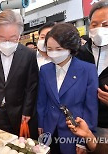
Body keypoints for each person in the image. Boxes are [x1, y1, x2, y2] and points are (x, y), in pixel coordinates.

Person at [0, 10, 39, 139]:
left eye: (13, 38)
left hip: (17, 113)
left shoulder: (29, 55)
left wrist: (27, 111)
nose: (7, 43)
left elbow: (31, 86)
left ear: (20, 35)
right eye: (2, 38)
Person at [37, 23, 98, 154]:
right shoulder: (45, 70)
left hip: (74, 131)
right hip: (49, 128)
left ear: (70, 48)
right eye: (49, 49)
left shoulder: (87, 70)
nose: (53, 53)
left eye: (58, 49)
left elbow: (91, 107)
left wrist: (83, 141)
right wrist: (40, 124)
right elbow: (42, 101)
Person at [77, 0, 108, 139]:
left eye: (106, 24)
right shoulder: (80, 53)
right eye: (94, 24)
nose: (99, 29)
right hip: (82, 125)